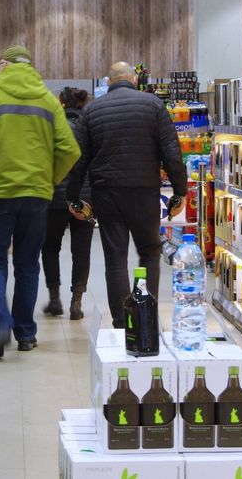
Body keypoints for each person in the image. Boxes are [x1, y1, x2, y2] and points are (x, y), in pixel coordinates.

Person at [0, 46, 81, 359]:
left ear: (5, 66)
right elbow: (69, 150)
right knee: (27, 263)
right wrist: (47, 178)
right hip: (36, 196)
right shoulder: (49, 101)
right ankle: (25, 333)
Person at [65, 61, 188, 329]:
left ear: (108, 82)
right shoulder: (153, 106)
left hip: (106, 193)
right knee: (149, 251)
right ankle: (147, 315)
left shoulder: (92, 111)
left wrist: (73, 198)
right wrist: (180, 191)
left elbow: (78, 160)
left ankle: (122, 320)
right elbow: (172, 153)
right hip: (144, 191)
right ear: (134, 80)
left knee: (115, 257)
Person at [41, 87, 94, 321]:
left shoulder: (52, 125)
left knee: (50, 248)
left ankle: (54, 299)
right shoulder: (91, 126)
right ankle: (77, 301)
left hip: (55, 197)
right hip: (85, 197)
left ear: (61, 104)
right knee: (81, 251)